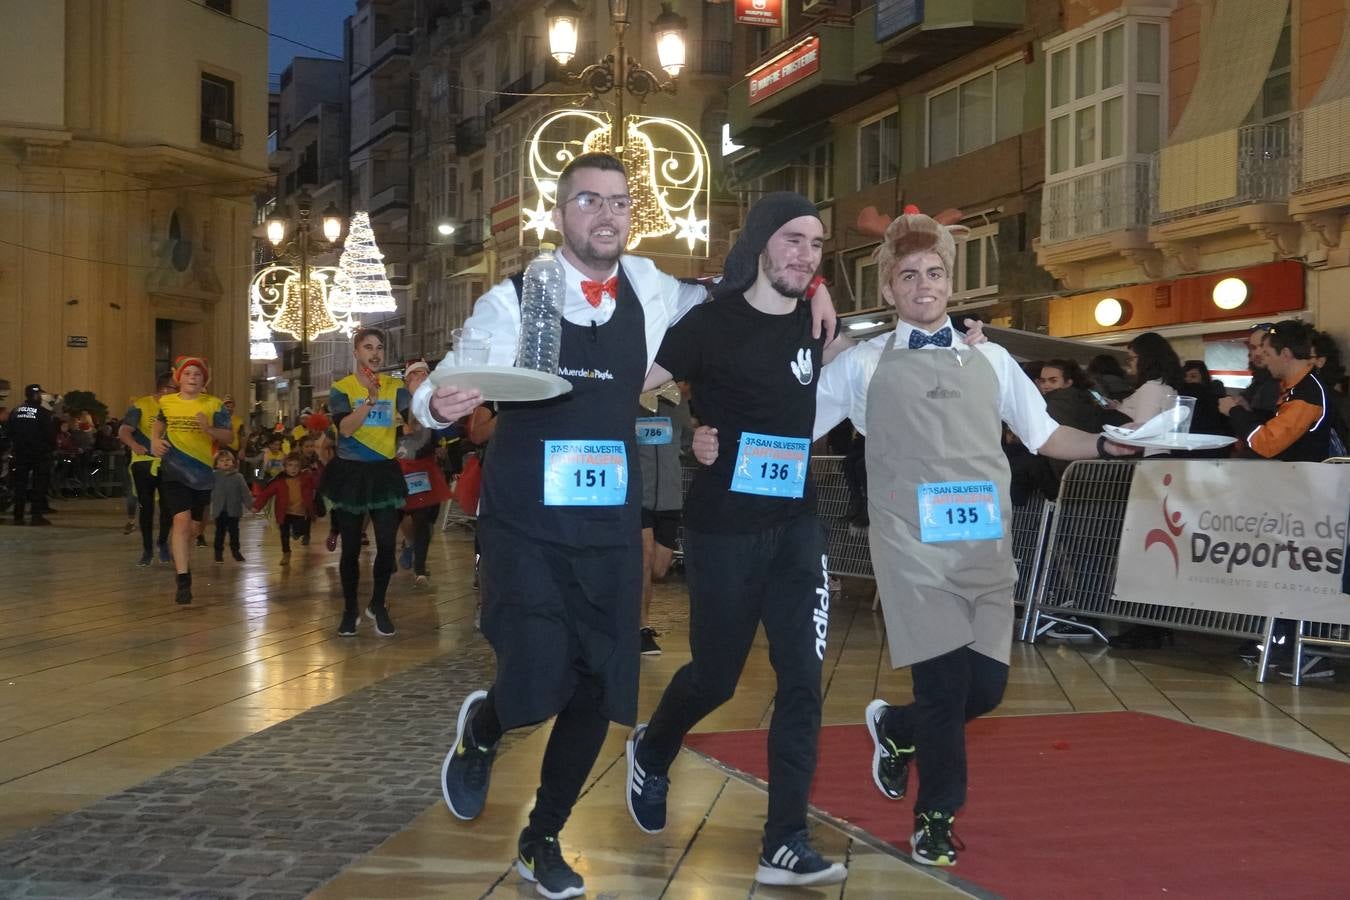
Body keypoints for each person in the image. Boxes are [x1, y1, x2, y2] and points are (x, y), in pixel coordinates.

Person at [412, 154, 837, 900]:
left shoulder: (650, 286)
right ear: (559, 213)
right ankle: (486, 725)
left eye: (619, 202)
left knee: (598, 691)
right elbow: (458, 371)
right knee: (538, 679)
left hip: (609, 522)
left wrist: (821, 284)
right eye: (588, 201)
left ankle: (544, 837)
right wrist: (438, 405)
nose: (606, 215)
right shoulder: (523, 298)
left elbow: (741, 281)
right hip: (527, 522)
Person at [804, 205, 1136, 868]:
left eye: (933, 273)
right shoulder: (862, 365)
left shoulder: (993, 361)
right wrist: (730, 440)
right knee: (946, 688)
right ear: (890, 290)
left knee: (985, 691)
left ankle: (897, 730)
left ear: (950, 284)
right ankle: (935, 817)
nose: (922, 285)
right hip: (909, 549)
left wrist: (1108, 443)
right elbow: (796, 428)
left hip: (985, 546)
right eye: (908, 275)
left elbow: (1046, 437)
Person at [626, 192, 849, 887]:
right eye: (791, 240)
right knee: (715, 678)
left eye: (815, 245)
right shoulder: (708, 324)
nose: (804, 254)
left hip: (797, 525)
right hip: (724, 526)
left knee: (804, 681)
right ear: (759, 242)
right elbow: (633, 390)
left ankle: (785, 839)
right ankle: (653, 748)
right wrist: (687, 440)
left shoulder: (817, 324)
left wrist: (821, 290)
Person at [320, 328, 409, 636]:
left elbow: (415, 420)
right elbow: (345, 428)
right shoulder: (340, 388)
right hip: (351, 474)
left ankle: (378, 604)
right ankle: (349, 610)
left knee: (386, 545)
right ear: (356, 352)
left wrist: (426, 396)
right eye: (368, 347)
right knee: (350, 549)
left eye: (379, 348)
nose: (375, 352)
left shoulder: (396, 387)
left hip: (384, 473)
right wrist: (369, 401)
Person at [151, 357, 234, 604]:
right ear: (179, 378)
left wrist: (209, 430)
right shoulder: (167, 402)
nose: (192, 378)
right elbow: (158, 423)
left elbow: (228, 436)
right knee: (181, 520)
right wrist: (155, 440)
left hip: (202, 474)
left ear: (204, 379)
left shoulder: (214, 405)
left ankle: (187, 548)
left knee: (196, 527)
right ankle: (183, 578)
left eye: (197, 374)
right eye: (188, 374)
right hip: (173, 470)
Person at [635, 380, 692, 655]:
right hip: (637, 497)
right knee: (643, 561)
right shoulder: (630, 402)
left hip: (669, 499)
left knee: (658, 569)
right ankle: (641, 629)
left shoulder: (677, 404)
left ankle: (625, 610)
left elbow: (687, 441)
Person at [396, 359, 454, 587]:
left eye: (424, 374)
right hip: (399, 466)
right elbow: (410, 421)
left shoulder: (434, 399)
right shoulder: (400, 397)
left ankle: (419, 566)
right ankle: (409, 546)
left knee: (424, 519)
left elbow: (446, 428)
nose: (421, 377)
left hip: (424, 467)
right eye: (416, 374)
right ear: (408, 379)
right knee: (397, 515)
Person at [119, 372, 176, 565]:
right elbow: (124, 430)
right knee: (146, 506)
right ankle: (147, 549)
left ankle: (162, 542)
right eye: (175, 388)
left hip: (168, 463)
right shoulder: (142, 405)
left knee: (168, 507)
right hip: (143, 463)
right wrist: (134, 445)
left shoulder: (177, 407)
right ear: (164, 388)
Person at [253, 451, 319, 565]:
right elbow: (266, 494)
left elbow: (318, 483)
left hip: (300, 512)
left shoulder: (306, 478)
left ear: (301, 467)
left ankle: (297, 533)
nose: (293, 469)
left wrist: (316, 470)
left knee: (299, 531)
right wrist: (256, 506)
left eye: (296, 466)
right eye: (290, 465)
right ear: (285, 467)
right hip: (284, 513)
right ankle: (286, 553)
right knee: (284, 535)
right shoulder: (279, 481)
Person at [8, 384, 56, 526]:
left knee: (20, 486)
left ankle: (18, 516)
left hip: (20, 453)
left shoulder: (16, 411)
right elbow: (49, 434)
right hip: (39, 454)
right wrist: (50, 448)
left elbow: (9, 431)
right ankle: (36, 516)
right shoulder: (42, 412)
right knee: (38, 485)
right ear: (35, 395)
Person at [1119, 332, 1182, 425]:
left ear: (1146, 359)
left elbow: (1142, 429)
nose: (1129, 362)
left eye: (1132, 358)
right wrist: (1119, 408)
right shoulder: (1163, 386)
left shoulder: (1152, 388)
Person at [209, 448, 250, 563]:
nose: (225, 462)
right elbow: (208, 491)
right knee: (219, 532)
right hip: (219, 510)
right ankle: (218, 553)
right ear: (216, 464)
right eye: (221, 461)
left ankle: (236, 551)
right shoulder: (213, 476)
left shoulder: (238, 477)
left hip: (234, 510)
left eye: (228, 460)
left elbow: (245, 493)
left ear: (233, 462)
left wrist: (251, 505)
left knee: (234, 532)